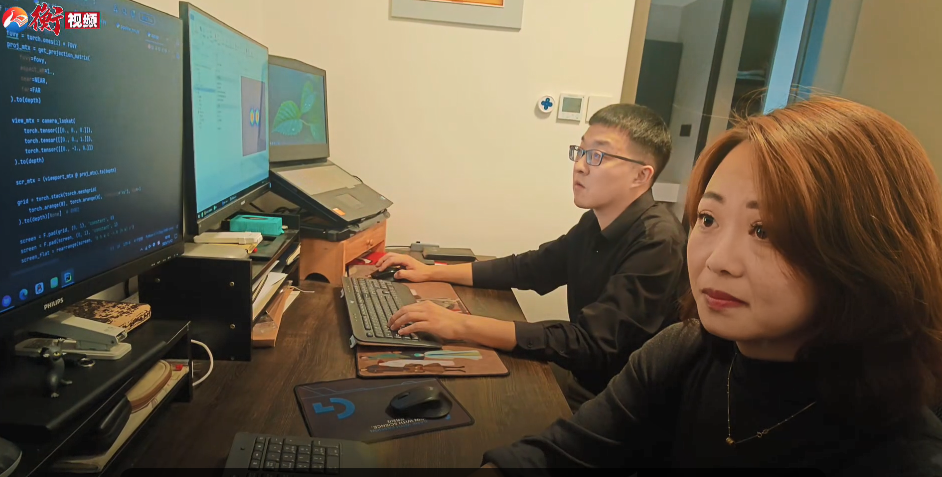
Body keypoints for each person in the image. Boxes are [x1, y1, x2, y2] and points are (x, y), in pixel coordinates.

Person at [479, 96, 942, 474]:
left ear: (867, 253)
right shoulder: (683, 351)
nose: (717, 261)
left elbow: (594, 343)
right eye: (708, 218)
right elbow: (560, 453)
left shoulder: (903, 455)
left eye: (764, 230)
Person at [379, 104, 687, 410]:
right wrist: (431, 271)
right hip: (587, 381)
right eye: (580, 151)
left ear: (640, 175)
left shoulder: (658, 241)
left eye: (597, 155)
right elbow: (530, 268)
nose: (580, 166)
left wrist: (461, 325)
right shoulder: (595, 222)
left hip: (621, 405)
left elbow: (591, 342)